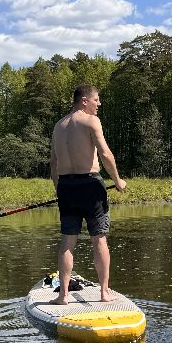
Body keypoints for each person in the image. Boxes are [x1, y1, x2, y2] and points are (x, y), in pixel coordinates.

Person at [50, 85, 127, 304]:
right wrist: (118, 181)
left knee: (67, 241)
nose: (99, 104)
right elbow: (105, 153)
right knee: (99, 239)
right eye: (96, 100)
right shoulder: (91, 120)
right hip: (91, 185)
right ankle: (104, 292)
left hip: (66, 186)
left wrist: (59, 190)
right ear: (84, 100)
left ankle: (63, 296)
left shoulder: (58, 126)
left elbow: (53, 164)